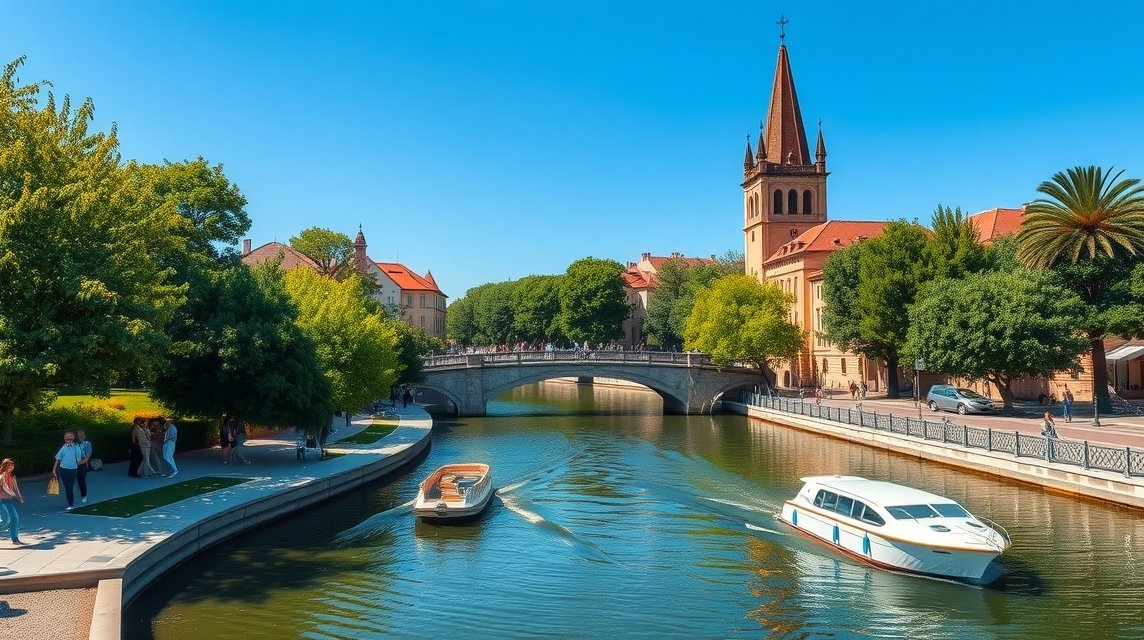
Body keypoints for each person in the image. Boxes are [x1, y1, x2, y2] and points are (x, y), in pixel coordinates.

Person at [51, 431, 83, 510]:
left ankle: (71, 503)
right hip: (63, 469)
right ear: (64, 439)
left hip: (73, 469)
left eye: (70, 439)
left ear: (73, 439)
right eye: (67, 439)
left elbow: (79, 458)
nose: (68, 441)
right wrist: (54, 469)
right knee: (67, 487)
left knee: (70, 486)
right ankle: (70, 503)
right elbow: (57, 459)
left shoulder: (76, 446)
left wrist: (76, 447)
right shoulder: (63, 448)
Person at [0, 458, 25, 545]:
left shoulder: (12, 476)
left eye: (12, 465)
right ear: (5, 467)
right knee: (13, 518)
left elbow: (15, 488)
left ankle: (15, 539)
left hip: (9, 500)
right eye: (9, 465)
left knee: (12, 519)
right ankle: (15, 539)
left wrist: (19, 496)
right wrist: (14, 495)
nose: (11, 467)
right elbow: (5, 488)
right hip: (2, 501)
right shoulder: (2, 476)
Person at [76, 430, 92, 504]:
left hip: (82, 463)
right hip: (73, 463)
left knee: (81, 479)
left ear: (85, 435)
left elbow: (87, 457)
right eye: (79, 435)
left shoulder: (87, 444)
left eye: (82, 435)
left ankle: (84, 495)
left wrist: (79, 463)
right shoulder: (74, 444)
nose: (81, 437)